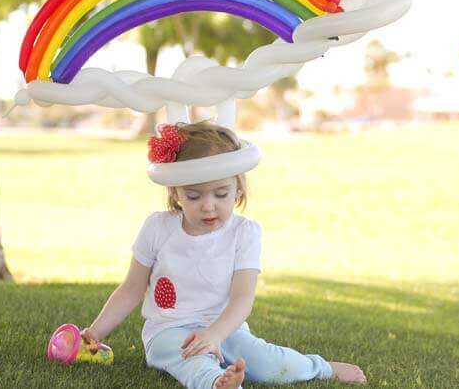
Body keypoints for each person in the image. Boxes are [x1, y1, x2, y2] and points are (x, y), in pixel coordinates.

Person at [79, 121, 367, 389]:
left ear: (237, 188)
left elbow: (242, 298)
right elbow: (131, 289)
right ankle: (218, 382)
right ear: (175, 191)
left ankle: (319, 367)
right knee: (190, 359)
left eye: (220, 194)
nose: (208, 206)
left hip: (227, 327)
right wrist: (95, 332)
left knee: (268, 363)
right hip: (168, 331)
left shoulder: (244, 233)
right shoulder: (158, 228)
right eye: (194, 196)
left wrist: (216, 334)